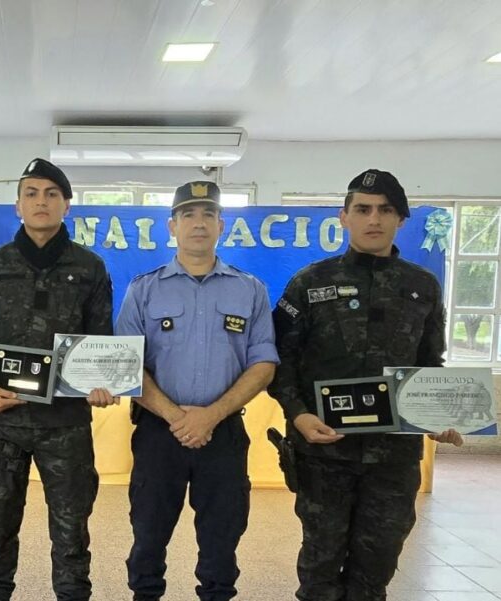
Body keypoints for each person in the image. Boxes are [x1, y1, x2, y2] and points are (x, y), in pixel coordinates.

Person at [269, 169, 463, 601]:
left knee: (374, 571)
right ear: (344, 216)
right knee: (319, 569)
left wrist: (439, 417)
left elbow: (430, 365)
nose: (373, 219)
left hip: (393, 459)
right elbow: (281, 362)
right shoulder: (309, 283)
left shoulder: (422, 287)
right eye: (363, 209)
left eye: (385, 210)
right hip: (323, 452)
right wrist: (298, 415)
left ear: (400, 220)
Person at [0, 158, 114, 601]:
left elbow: (101, 341)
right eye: (31, 193)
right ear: (18, 205)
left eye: (51, 194)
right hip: (2, 424)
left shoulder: (90, 268)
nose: (41, 202)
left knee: (71, 534)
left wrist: (103, 383)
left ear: (67, 205)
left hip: (65, 426)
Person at [114, 181, 279, 601]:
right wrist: (176, 416)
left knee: (221, 544)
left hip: (222, 434)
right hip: (158, 435)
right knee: (148, 538)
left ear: (222, 225)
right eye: (188, 215)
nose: (198, 223)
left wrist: (211, 415)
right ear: (172, 226)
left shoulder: (250, 289)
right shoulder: (144, 288)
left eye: (208, 214)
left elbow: (264, 364)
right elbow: (127, 364)